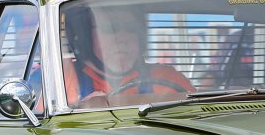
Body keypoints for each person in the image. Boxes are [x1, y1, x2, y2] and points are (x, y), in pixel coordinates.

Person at [63, 7, 191, 108]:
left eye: (131, 28)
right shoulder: (62, 79)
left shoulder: (170, 79)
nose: (123, 38)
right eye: (110, 28)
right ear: (85, 38)